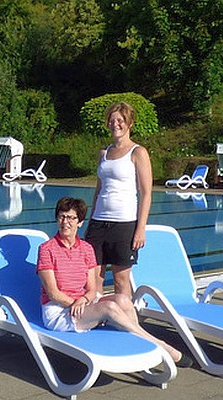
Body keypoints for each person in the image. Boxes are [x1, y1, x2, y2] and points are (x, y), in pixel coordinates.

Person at [37, 197, 192, 367]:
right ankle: (162, 346)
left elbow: (91, 289)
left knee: (123, 300)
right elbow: (53, 293)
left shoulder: (87, 249)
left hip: (82, 305)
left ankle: (138, 345)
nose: (65, 222)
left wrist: (84, 300)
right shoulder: (47, 249)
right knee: (109, 307)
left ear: (80, 223)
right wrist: (77, 303)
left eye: (71, 218)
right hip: (59, 311)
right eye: (62, 217)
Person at [85, 101, 152, 300]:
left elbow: (146, 193)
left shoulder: (138, 152)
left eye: (121, 120)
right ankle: (97, 317)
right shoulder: (103, 153)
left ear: (130, 123)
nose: (116, 124)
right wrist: (90, 222)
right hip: (98, 222)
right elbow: (98, 190)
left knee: (120, 280)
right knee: (93, 278)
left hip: (124, 224)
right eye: (112, 120)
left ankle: (123, 321)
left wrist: (140, 228)